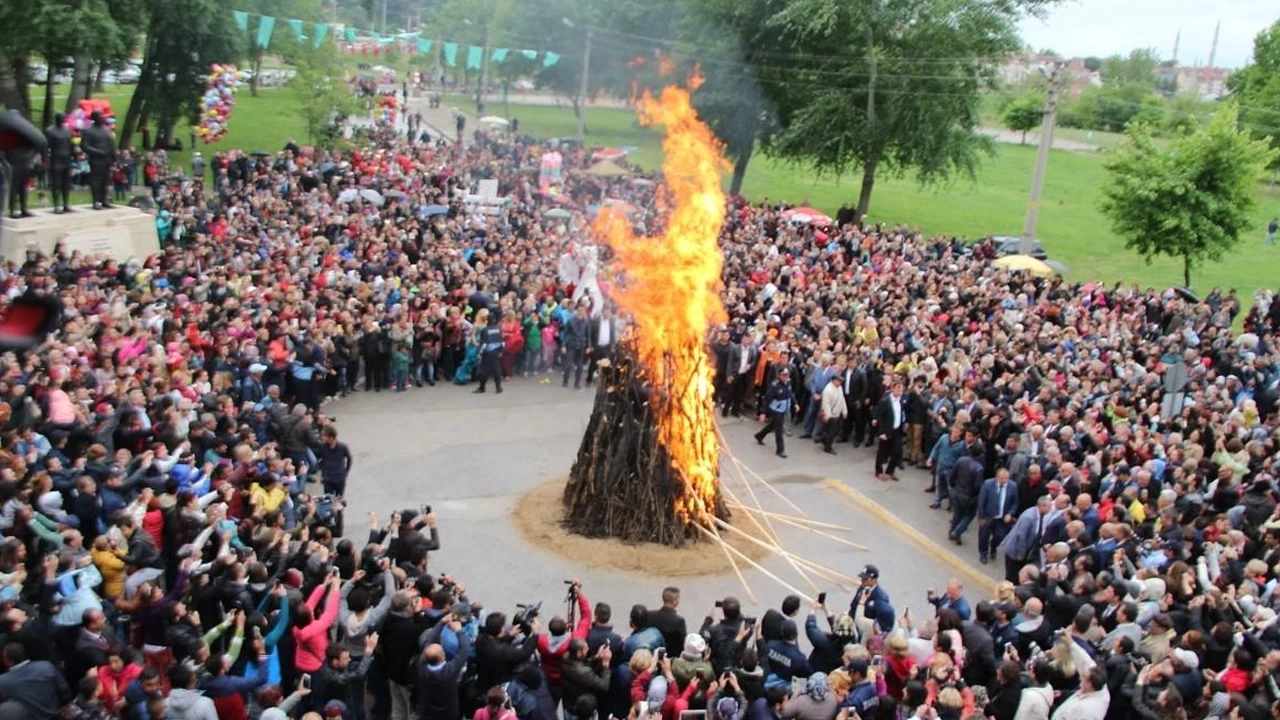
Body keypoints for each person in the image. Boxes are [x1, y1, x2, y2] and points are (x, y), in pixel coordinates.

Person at [977, 468, 1019, 564]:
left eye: (1006, 478)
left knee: (1001, 536)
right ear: (997, 477)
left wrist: (1010, 513)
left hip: (1002, 518)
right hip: (988, 516)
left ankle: (993, 546)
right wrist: (981, 517)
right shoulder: (987, 485)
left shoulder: (1013, 486)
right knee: (983, 536)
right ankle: (983, 553)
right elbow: (981, 502)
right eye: (1002, 478)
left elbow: (1015, 503)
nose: (1004, 481)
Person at [755, 367, 794, 458]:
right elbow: (767, 399)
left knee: (773, 425)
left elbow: (790, 394)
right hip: (776, 410)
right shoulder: (774, 386)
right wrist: (763, 413)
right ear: (779, 376)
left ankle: (760, 435)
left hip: (783, 408)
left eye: (787, 375)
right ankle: (780, 450)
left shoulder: (788, 383)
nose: (786, 377)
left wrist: (795, 404)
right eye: (784, 375)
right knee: (779, 429)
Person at [81, 110, 115, 209]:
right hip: (96, 159)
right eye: (100, 116)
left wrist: (114, 157)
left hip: (107, 158)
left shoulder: (107, 130)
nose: (103, 118)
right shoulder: (89, 131)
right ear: (95, 118)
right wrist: (98, 151)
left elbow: (111, 144)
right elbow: (84, 146)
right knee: (96, 180)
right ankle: (96, 201)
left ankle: (104, 200)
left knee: (106, 180)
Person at [873, 380, 906, 480]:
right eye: (898, 389)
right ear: (892, 389)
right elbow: (880, 417)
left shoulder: (901, 400)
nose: (900, 391)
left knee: (897, 452)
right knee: (882, 452)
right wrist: (881, 432)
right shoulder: (885, 401)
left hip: (897, 430)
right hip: (886, 430)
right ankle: (878, 471)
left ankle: (890, 470)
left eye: (901, 389)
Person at [44, 113, 73, 213]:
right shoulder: (50, 131)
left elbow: (71, 144)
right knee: (56, 183)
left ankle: (66, 204)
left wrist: (74, 154)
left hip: (67, 159)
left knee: (66, 183)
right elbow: (46, 146)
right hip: (56, 159)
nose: (63, 119)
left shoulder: (68, 130)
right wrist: (46, 158)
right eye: (61, 118)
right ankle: (56, 205)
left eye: (63, 118)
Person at [316, 426, 353, 497]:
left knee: (339, 499)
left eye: (324, 436)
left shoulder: (343, 447)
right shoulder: (323, 447)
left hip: (339, 477)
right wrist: (323, 474)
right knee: (328, 498)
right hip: (328, 478)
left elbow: (349, 459)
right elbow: (322, 460)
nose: (322, 438)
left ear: (331, 437)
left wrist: (346, 472)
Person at [474, 311, 506, 394]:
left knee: (484, 370)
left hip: (487, 353)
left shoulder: (485, 330)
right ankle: (498, 387)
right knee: (496, 370)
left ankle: (482, 387)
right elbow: (502, 342)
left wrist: (480, 353)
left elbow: (484, 343)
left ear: (487, 320)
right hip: (496, 352)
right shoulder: (498, 329)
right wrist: (501, 351)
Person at [563, 304, 591, 390]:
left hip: (581, 345)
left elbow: (588, 335)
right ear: (577, 311)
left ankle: (577, 383)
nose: (581, 312)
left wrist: (589, 346)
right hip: (572, 344)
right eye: (580, 310)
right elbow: (566, 333)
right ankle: (565, 381)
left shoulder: (586, 321)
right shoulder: (571, 320)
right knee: (568, 364)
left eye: (583, 310)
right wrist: (563, 345)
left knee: (580, 366)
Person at [819, 374, 847, 455]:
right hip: (831, 414)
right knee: (832, 431)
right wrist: (828, 415)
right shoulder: (827, 390)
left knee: (836, 430)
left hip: (838, 412)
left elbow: (842, 399)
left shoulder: (840, 388)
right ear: (834, 380)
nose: (840, 382)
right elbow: (826, 404)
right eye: (839, 381)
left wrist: (844, 411)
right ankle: (828, 447)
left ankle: (824, 439)